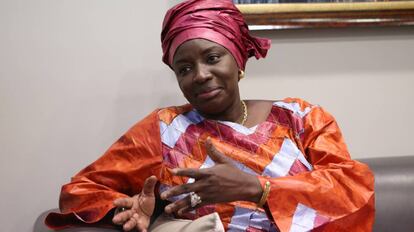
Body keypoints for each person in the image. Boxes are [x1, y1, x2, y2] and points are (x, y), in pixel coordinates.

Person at [45, 0, 375, 231]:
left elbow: (352, 191)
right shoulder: (164, 130)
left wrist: (258, 189)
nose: (199, 75)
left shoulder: (301, 119)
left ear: (238, 60)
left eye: (212, 57)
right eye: (184, 68)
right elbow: (79, 192)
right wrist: (153, 206)